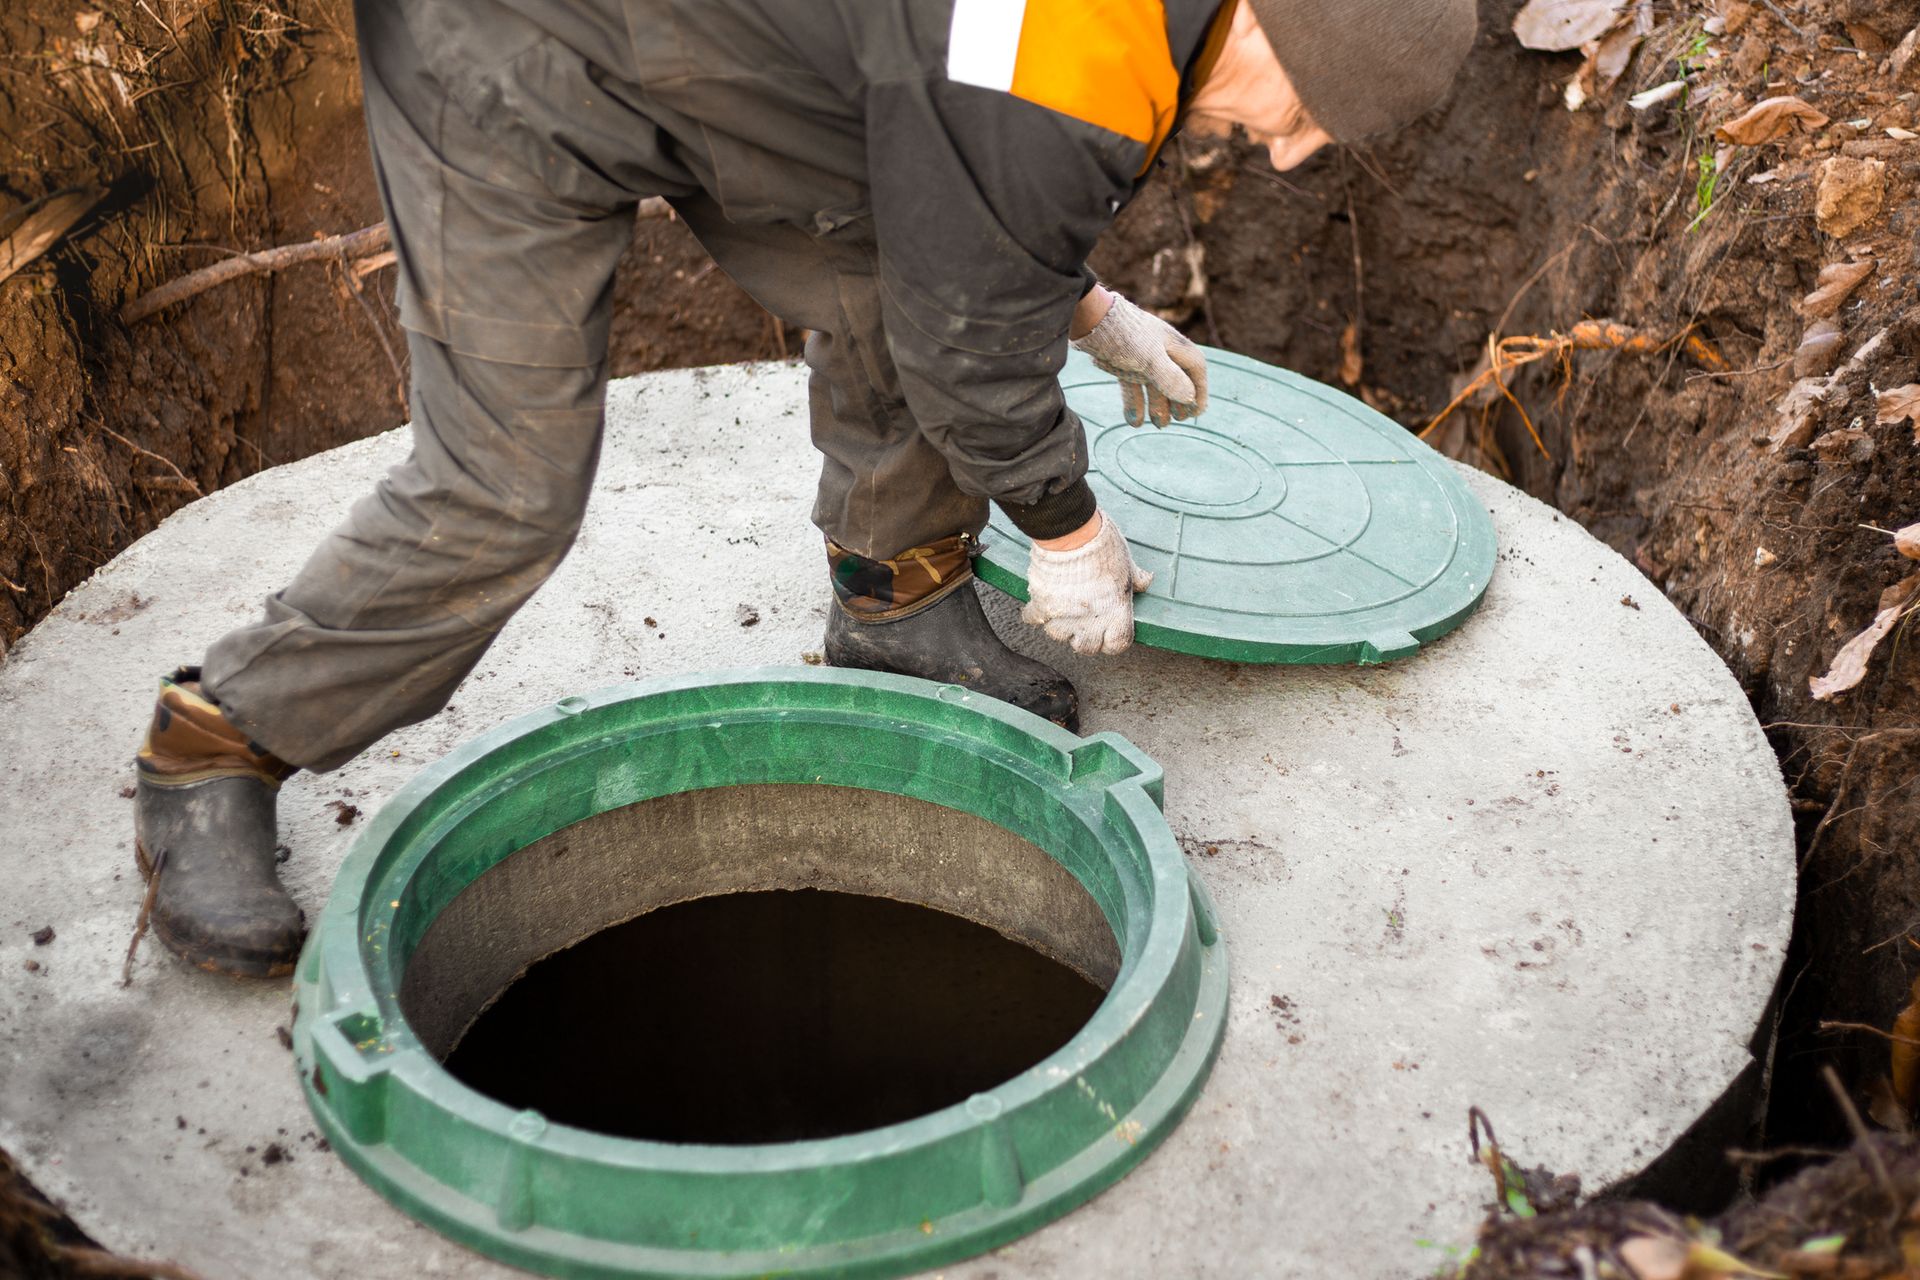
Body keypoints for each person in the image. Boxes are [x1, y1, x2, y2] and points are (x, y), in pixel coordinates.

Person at [131, 0, 1476, 977]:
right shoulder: (1078, 54)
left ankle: (896, 596)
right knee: (506, 486)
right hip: (510, 53)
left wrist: (1080, 303)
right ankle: (217, 743)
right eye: (1308, 118)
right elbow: (970, 326)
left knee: (892, 277)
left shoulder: (1106, 35)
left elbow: (954, 183)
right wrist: (1065, 527)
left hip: (729, 49)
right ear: (1271, 32)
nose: (1289, 153)